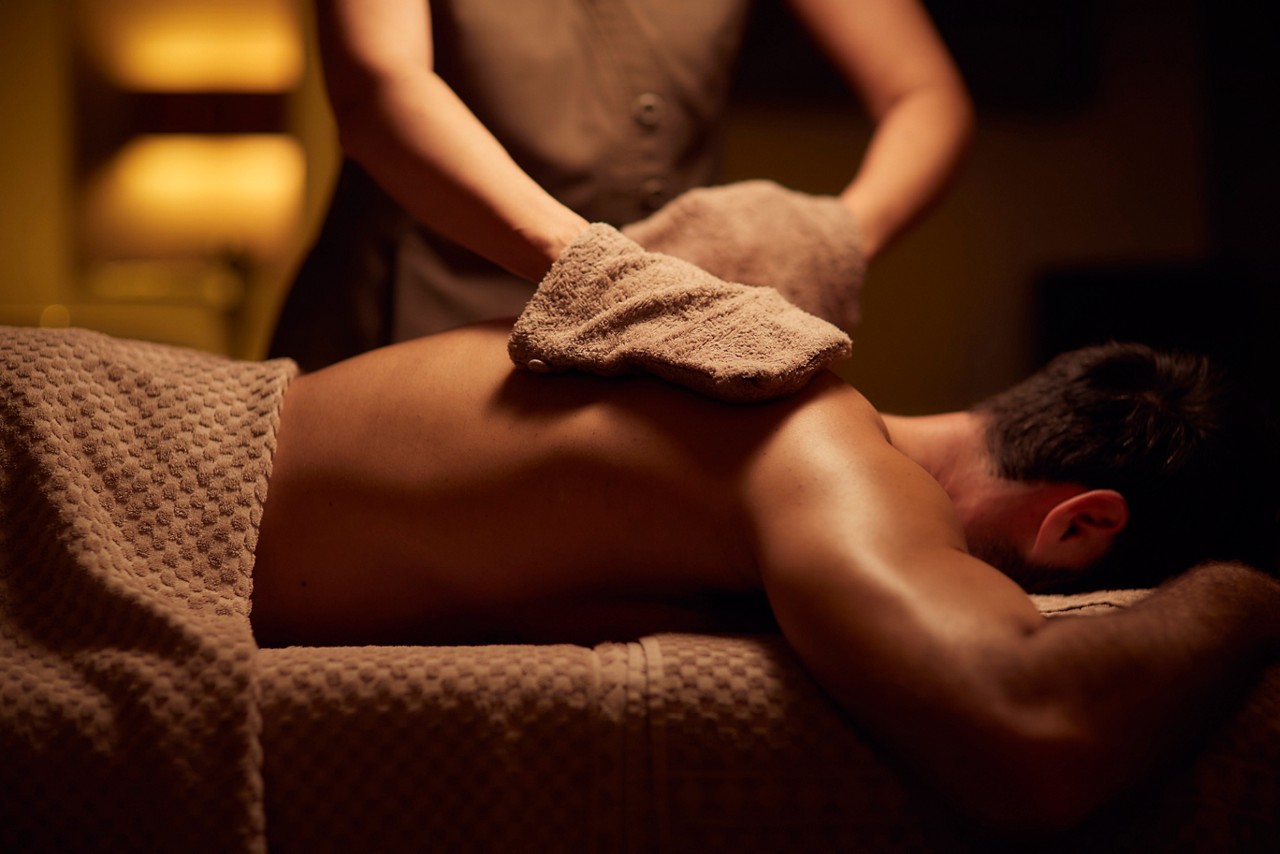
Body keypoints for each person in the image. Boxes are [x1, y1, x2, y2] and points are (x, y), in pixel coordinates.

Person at [251, 321, 1278, 832]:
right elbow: (1039, 730)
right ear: (1082, 524)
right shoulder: (829, 453)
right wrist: (1254, 587)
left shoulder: (778, 407)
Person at [267, 0, 974, 369]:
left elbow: (924, 93)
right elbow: (378, 89)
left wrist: (827, 241)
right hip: (416, 324)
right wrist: (606, 275)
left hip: (674, 336)